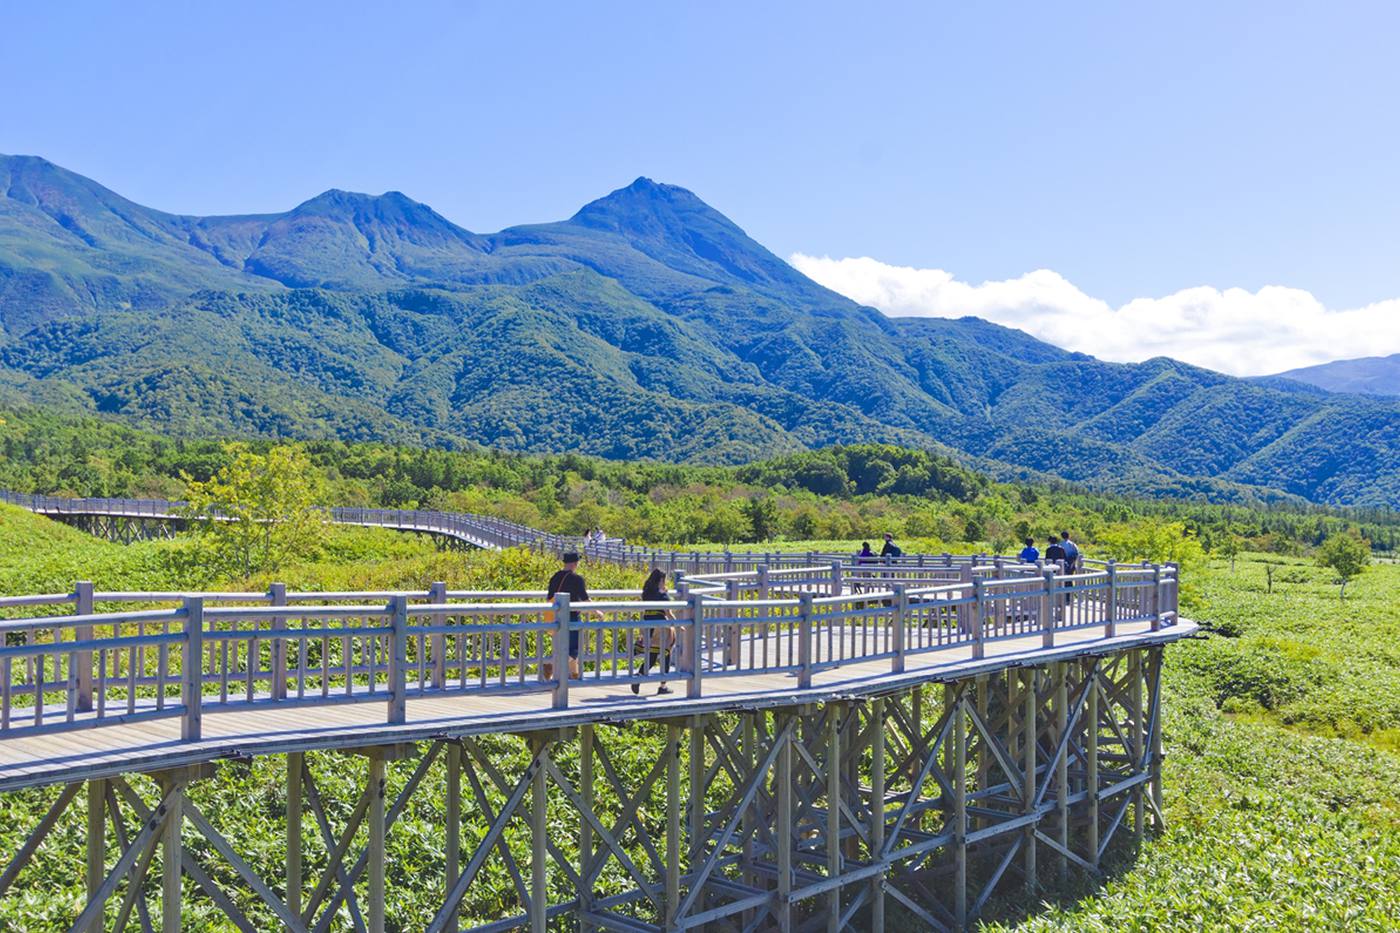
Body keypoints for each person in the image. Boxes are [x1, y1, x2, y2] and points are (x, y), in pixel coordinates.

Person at [546, 551, 590, 680]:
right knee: (574, 647)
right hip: (572, 616)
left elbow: (549, 597)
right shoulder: (577, 579)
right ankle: (552, 666)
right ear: (575, 563)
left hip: (556, 616)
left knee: (561, 645)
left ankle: (574, 674)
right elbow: (585, 599)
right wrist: (597, 611)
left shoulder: (555, 577)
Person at [633, 568, 675, 695]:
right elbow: (668, 612)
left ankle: (639, 675)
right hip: (661, 628)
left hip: (647, 626)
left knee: (651, 656)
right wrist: (678, 625)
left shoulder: (647, 593)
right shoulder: (662, 595)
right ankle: (663, 686)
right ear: (661, 580)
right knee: (666, 655)